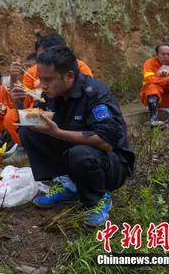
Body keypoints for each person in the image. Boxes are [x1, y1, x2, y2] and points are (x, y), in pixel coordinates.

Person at [17, 46, 134, 226]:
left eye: (48, 80)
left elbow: (105, 142)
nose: (43, 85)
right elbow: (37, 117)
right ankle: (67, 184)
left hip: (112, 163)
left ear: (69, 76)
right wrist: (18, 102)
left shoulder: (95, 94)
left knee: (80, 153)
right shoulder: (53, 93)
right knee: (28, 130)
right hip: (74, 152)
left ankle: (99, 198)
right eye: (41, 79)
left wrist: (57, 133)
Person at [4, 34, 93, 147]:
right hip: (43, 109)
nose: (43, 85)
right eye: (39, 57)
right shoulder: (32, 71)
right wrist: (14, 83)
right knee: (15, 117)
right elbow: (24, 104)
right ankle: (26, 145)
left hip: (70, 112)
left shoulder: (80, 68)